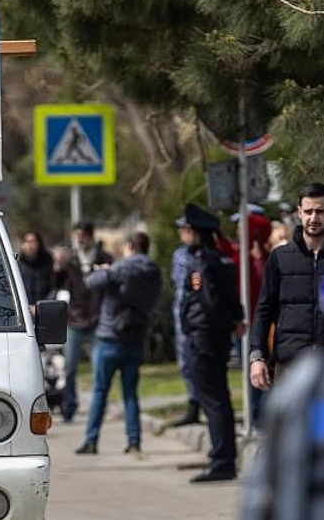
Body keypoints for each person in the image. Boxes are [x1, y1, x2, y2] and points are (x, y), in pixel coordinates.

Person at [250, 182, 324, 393]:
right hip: (291, 366)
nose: (314, 218)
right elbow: (264, 309)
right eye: (308, 211)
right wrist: (257, 356)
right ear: (299, 213)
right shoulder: (280, 258)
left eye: (320, 211)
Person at [77, 230, 162, 456]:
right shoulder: (153, 270)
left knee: (100, 391)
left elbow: (91, 282)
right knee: (130, 394)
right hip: (135, 337)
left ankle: (91, 441)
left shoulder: (122, 267)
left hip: (109, 337)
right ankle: (134, 441)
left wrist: (105, 270)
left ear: (130, 246)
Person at [178, 206, 244, 482]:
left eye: (185, 230)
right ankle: (223, 454)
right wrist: (234, 320)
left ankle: (222, 460)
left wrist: (228, 322)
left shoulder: (202, 262)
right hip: (213, 335)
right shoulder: (221, 258)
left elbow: (209, 301)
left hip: (204, 336)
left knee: (213, 400)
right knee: (219, 398)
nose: (182, 235)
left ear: (195, 233)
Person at [51, 228, 103, 423]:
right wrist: (58, 265)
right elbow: (56, 284)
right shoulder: (71, 260)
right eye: (77, 236)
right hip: (74, 318)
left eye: (83, 236)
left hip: (96, 319)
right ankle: (69, 405)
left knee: (99, 367)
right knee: (70, 366)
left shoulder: (102, 256)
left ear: (90, 236)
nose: (80, 240)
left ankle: (98, 408)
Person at [167, 216, 203, 429]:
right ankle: (193, 404)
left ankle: (199, 404)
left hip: (196, 316)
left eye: (184, 230)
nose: (181, 234)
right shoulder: (180, 254)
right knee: (185, 363)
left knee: (198, 363)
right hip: (182, 313)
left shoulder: (198, 255)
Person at [18, 231, 55, 303]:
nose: (29, 245)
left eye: (32, 241)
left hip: (43, 308)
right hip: (24, 308)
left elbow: (52, 288)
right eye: (27, 242)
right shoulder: (18, 264)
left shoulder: (46, 263)